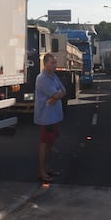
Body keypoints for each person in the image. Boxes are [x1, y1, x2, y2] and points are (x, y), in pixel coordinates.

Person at [34, 53, 67, 183]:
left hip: (54, 117)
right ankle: (42, 172)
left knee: (50, 144)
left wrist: (57, 95)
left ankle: (47, 167)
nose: (55, 65)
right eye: (52, 63)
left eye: (55, 62)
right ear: (45, 64)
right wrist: (57, 94)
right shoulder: (42, 78)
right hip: (46, 117)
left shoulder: (53, 76)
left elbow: (63, 90)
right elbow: (55, 93)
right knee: (44, 144)